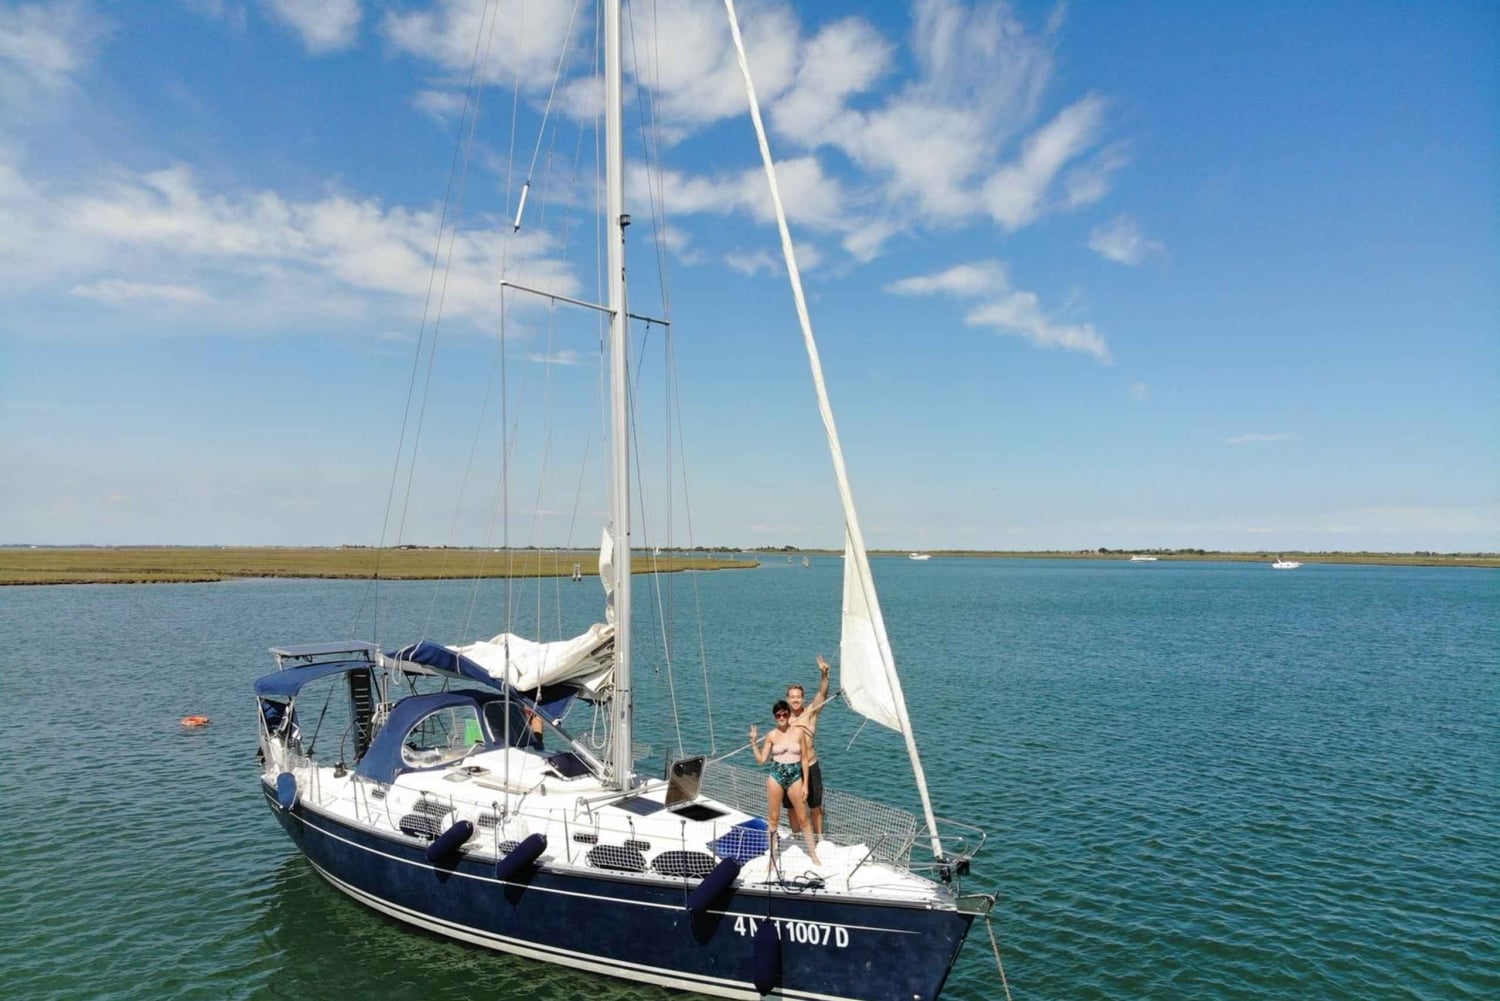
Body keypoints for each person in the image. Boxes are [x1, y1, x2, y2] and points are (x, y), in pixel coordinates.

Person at [750, 699, 820, 868]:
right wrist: (753, 742)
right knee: (773, 818)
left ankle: (813, 854)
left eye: (784, 714)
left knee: (803, 818)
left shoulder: (798, 733)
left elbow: (804, 759)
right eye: (778, 715)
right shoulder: (771, 735)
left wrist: (805, 784)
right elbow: (761, 760)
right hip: (776, 775)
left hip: (795, 775)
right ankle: (772, 857)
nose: (781, 717)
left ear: (788, 714)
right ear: (775, 717)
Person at [786, 654, 831, 840]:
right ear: (788, 699)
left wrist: (824, 675)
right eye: (792, 697)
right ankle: (796, 836)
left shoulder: (811, 713)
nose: (795, 700)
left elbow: (822, 694)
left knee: (815, 806)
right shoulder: (784, 719)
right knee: (791, 806)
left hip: (811, 766)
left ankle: (820, 838)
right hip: (791, 768)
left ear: (803, 698)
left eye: (798, 697)